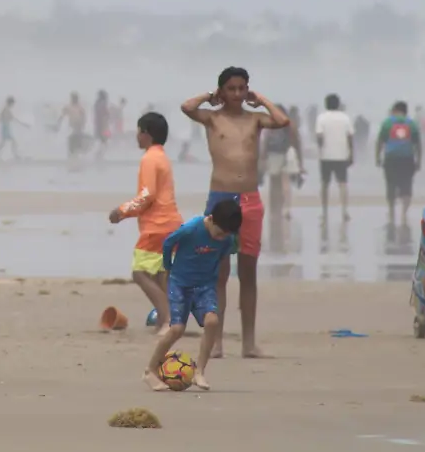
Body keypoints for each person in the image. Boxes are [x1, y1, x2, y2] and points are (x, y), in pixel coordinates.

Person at [180, 67, 290, 358]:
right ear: (223, 91)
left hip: (249, 199)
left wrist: (261, 99)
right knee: (217, 273)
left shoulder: (255, 120)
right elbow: (187, 107)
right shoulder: (213, 118)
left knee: (248, 273)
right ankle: (215, 342)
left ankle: (249, 343)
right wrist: (210, 96)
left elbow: (282, 120)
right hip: (221, 199)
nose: (237, 94)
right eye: (231, 89)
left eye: (242, 88)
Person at [142, 198, 242, 392]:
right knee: (177, 328)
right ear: (211, 219)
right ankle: (150, 370)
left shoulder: (227, 239)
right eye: (219, 233)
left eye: (226, 235)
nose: (221, 238)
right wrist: (169, 267)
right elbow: (169, 242)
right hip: (179, 284)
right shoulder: (192, 228)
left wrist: (213, 278)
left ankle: (200, 372)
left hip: (204, 286)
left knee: (213, 321)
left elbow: (222, 256)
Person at [108, 112, 181, 336]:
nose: (136, 136)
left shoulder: (150, 158)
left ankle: (168, 319)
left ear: (146, 134)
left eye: (139, 131)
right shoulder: (162, 157)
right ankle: (166, 319)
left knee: (140, 273)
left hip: (157, 226)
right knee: (160, 275)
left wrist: (121, 212)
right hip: (172, 223)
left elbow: (146, 196)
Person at [376, 101, 421, 227]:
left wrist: (377, 157)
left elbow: (380, 141)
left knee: (391, 184)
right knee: (406, 185)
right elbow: (417, 144)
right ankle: (404, 213)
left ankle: (391, 212)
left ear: (395, 110)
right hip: (407, 158)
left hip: (391, 158)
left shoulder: (387, 122)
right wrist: (418, 160)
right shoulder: (412, 124)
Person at [315, 93, 354, 226]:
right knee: (342, 184)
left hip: (326, 156)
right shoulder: (345, 118)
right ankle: (344, 211)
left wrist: (320, 150)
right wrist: (351, 154)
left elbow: (319, 136)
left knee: (325, 184)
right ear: (338, 104)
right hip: (341, 155)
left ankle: (324, 211)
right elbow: (350, 137)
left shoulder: (321, 118)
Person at [259, 103, 303, 219]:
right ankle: (286, 208)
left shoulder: (270, 125)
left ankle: (275, 208)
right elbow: (297, 143)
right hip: (287, 155)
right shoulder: (290, 124)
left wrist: (262, 159)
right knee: (285, 183)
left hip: (274, 155)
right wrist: (300, 162)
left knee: (275, 183)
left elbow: (265, 142)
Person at [0, 96, 28, 161]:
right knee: (6, 143)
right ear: (10, 103)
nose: (13, 105)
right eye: (13, 103)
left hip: (6, 128)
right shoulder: (6, 109)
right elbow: (12, 119)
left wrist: (23, 124)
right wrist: (24, 124)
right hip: (5, 128)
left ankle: (13, 155)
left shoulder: (6, 109)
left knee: (10, 142)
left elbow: (2, 118)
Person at [58, 92, 89, 160]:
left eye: (76, 98)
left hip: (79, 127)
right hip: (72, 127)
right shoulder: (68, 107)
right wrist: (58, 124)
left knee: (77, 144)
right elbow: (62, 115)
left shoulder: (80, 107)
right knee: (72, 143)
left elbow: (84, 116)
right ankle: (72, 157)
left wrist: (83, 124)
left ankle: (76, 157)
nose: (75, 99)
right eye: (74, 98)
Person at [93, 90, 111, 160]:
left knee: (102, 141)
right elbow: (105, 114)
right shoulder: (102, 104)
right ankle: (98, 156)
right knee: (104, 141)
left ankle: (98, 155)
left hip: (99, 125)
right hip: (102, 126)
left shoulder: (97, 104)